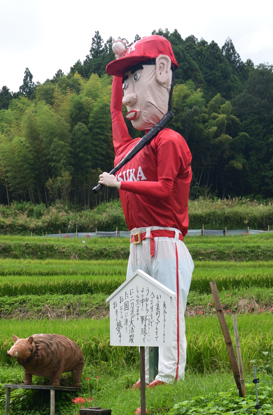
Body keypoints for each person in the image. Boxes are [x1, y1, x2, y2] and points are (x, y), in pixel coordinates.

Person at [98, 34, 194, 388]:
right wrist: (117, 71)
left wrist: (120, 184)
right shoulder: (127, 147)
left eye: (136, 79)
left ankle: (169, 376)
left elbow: (166, 189)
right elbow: (112, 110)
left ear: (162, 73)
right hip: (136, 243)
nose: (128, 97)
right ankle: (146, 375)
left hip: (165, 242)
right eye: (126, 85)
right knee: (139, 311)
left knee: (170, 314)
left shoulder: (169, 141)